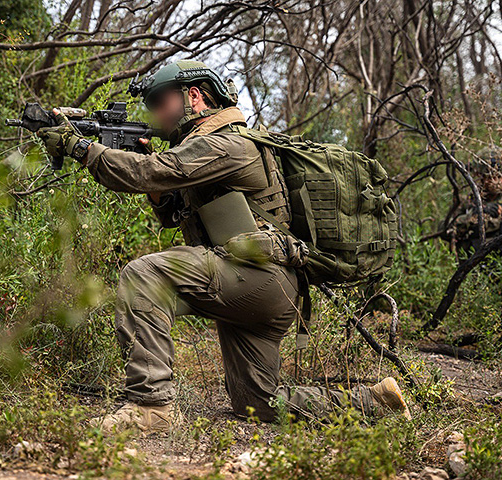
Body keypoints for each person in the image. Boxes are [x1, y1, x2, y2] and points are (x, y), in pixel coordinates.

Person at [37, 60, 410, 434]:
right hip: (266, 285)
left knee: (144, 276)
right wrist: (154, 183)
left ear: (194, 97)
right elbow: (168, 205)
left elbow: (143, 173)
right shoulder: (211, 146)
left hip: (258, 276)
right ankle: (372, 403)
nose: (156, 115)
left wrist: (80, 147)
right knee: (259, 403)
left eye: (159, 103)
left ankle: (150, 406)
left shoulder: (226, 143)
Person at [445, 147, 502, 256]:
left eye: (498, 176)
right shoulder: (468, 199)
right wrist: (473, 217)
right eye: (488, 177)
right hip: (472, 264)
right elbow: (446, 229)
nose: (494, 182)